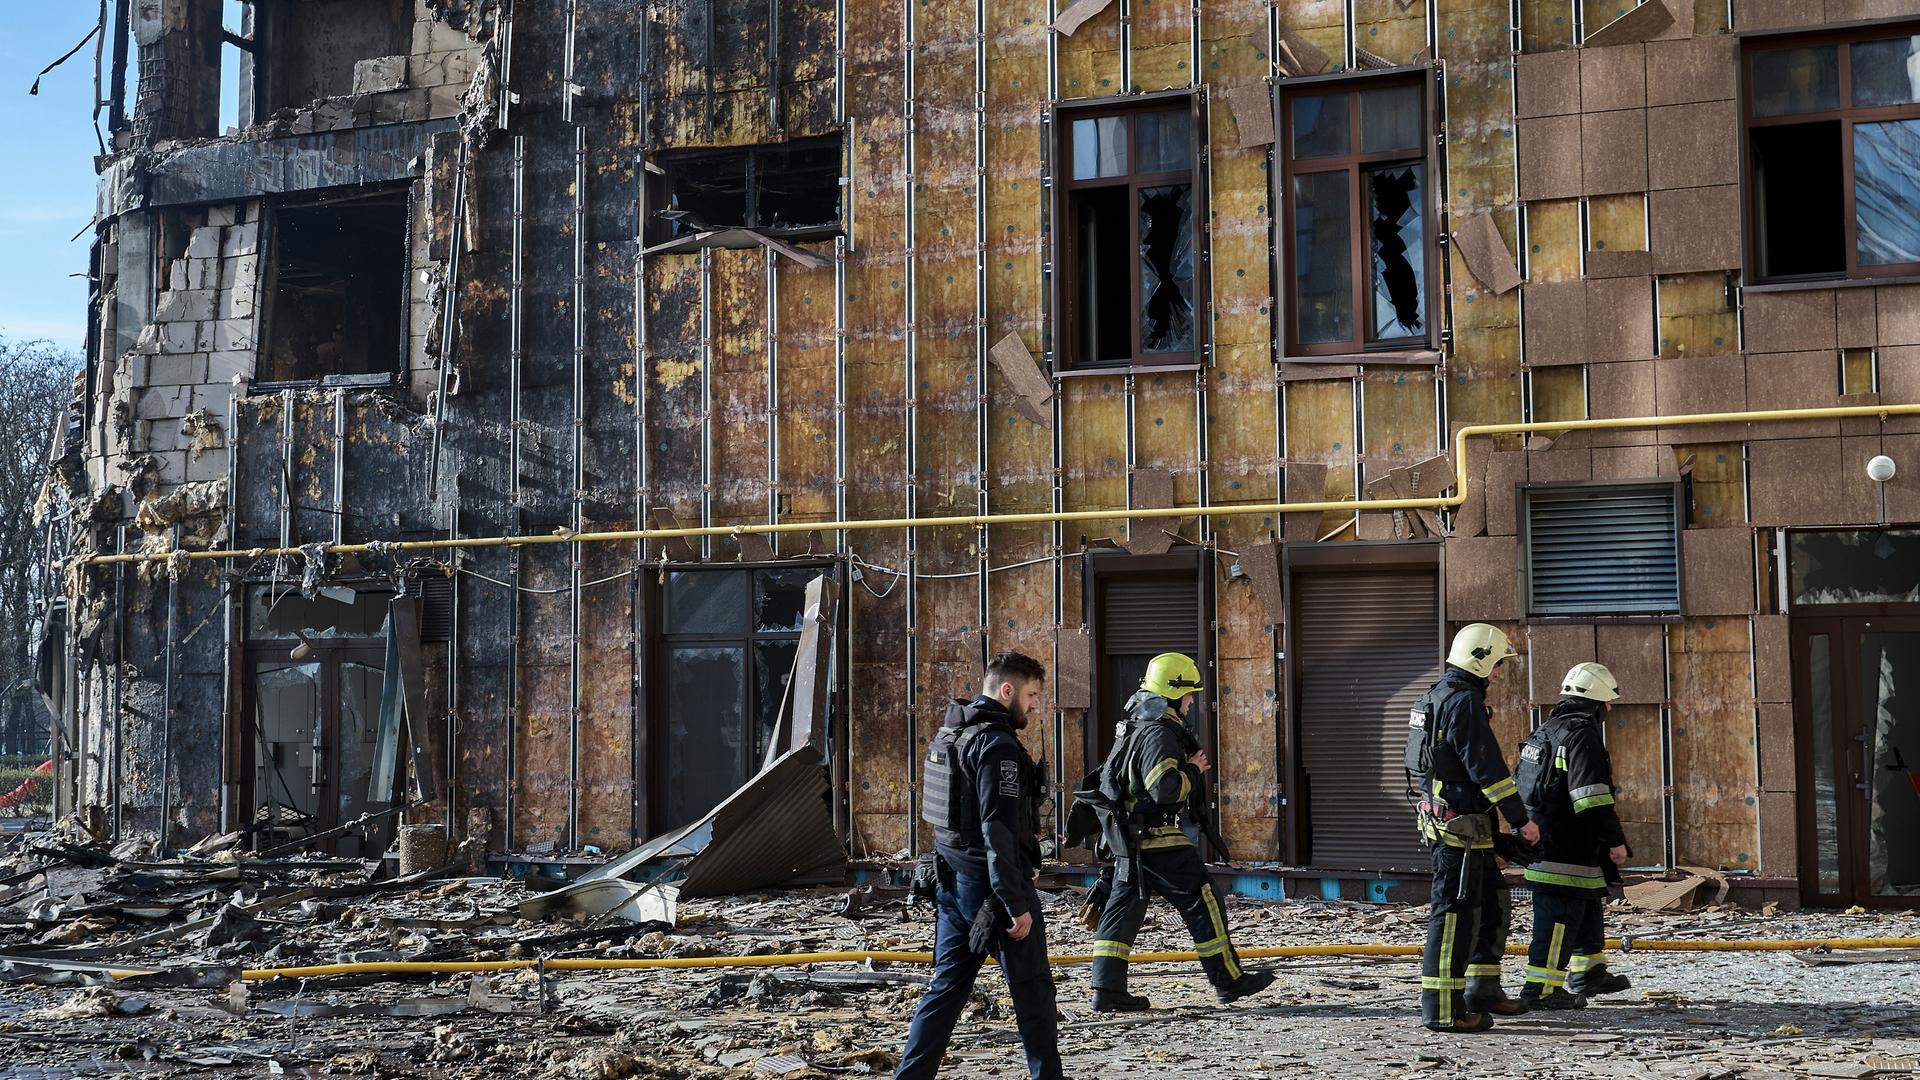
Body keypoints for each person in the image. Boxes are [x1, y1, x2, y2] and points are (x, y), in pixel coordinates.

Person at [895, 652, 1062, 1080]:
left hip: (948, 879)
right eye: (1031, 695)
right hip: (989, 888)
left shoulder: (953, 731)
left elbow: (953, 817)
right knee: (1033, 992)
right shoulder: (997, 744)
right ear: (1006, 690)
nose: (1034, 706)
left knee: (946, 990)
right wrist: (1013, 899)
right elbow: (997, 828)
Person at [1085, 653, 1276, 1011]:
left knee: (1121, 913)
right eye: (1189, 695)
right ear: (1173, 695)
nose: (1191, 702)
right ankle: (1229, 981)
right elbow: (1165, 791)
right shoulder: (1159, 733)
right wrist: (1192, 769)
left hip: (1129, 843)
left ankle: (1106, 990)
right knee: (1205, 902)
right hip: (1160, 843)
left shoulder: (1134, 727)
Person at [1405, 623, 1540, 1033]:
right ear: (1480, 660)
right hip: (1457, 830)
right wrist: (1521, 820)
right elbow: (1487, 768)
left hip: (1466, 827)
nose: (1498, 674)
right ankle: (1442, 1010)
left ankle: (1482, 990)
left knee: (1494, 903)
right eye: (1497, 665)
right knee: (1454, 916)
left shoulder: (1437, 696)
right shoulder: (1462, 701)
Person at [1515, 662, 1633, 1010]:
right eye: (1608, 702)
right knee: (1559, 918)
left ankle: (1589, 973)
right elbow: (1592, 798)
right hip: (1565, 848)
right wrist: (1615, 840)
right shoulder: (1581, 735)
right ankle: (1541, 989)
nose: (1610, 709)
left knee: (1585, 907)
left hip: (1550, 842)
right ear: (1596, 702)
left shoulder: (1546, 730)